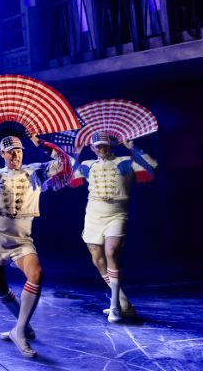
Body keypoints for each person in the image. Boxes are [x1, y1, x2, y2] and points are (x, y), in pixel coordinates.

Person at [0, 135, 72, 358]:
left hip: (22, 238)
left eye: (18, 150)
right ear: (2, 154)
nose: (15, 155)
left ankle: (19, 330)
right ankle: (23, 325)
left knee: (36, 274)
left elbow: (65, 165)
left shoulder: (35, 172)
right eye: (10, 151)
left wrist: (44, 145)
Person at [71, 132, 157, 322]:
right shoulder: (87, 166)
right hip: (93, 215)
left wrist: (133, 147)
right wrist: (74, 154)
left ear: (111, 146)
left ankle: (115, 306)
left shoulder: (125, 162)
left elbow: (151, 166)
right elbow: (69, 176)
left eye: (104, 145)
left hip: (117, 214)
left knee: (111, 252)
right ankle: (123, 301)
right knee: (97, 258)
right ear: (92, 148)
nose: (101, 149)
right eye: (97, 146)